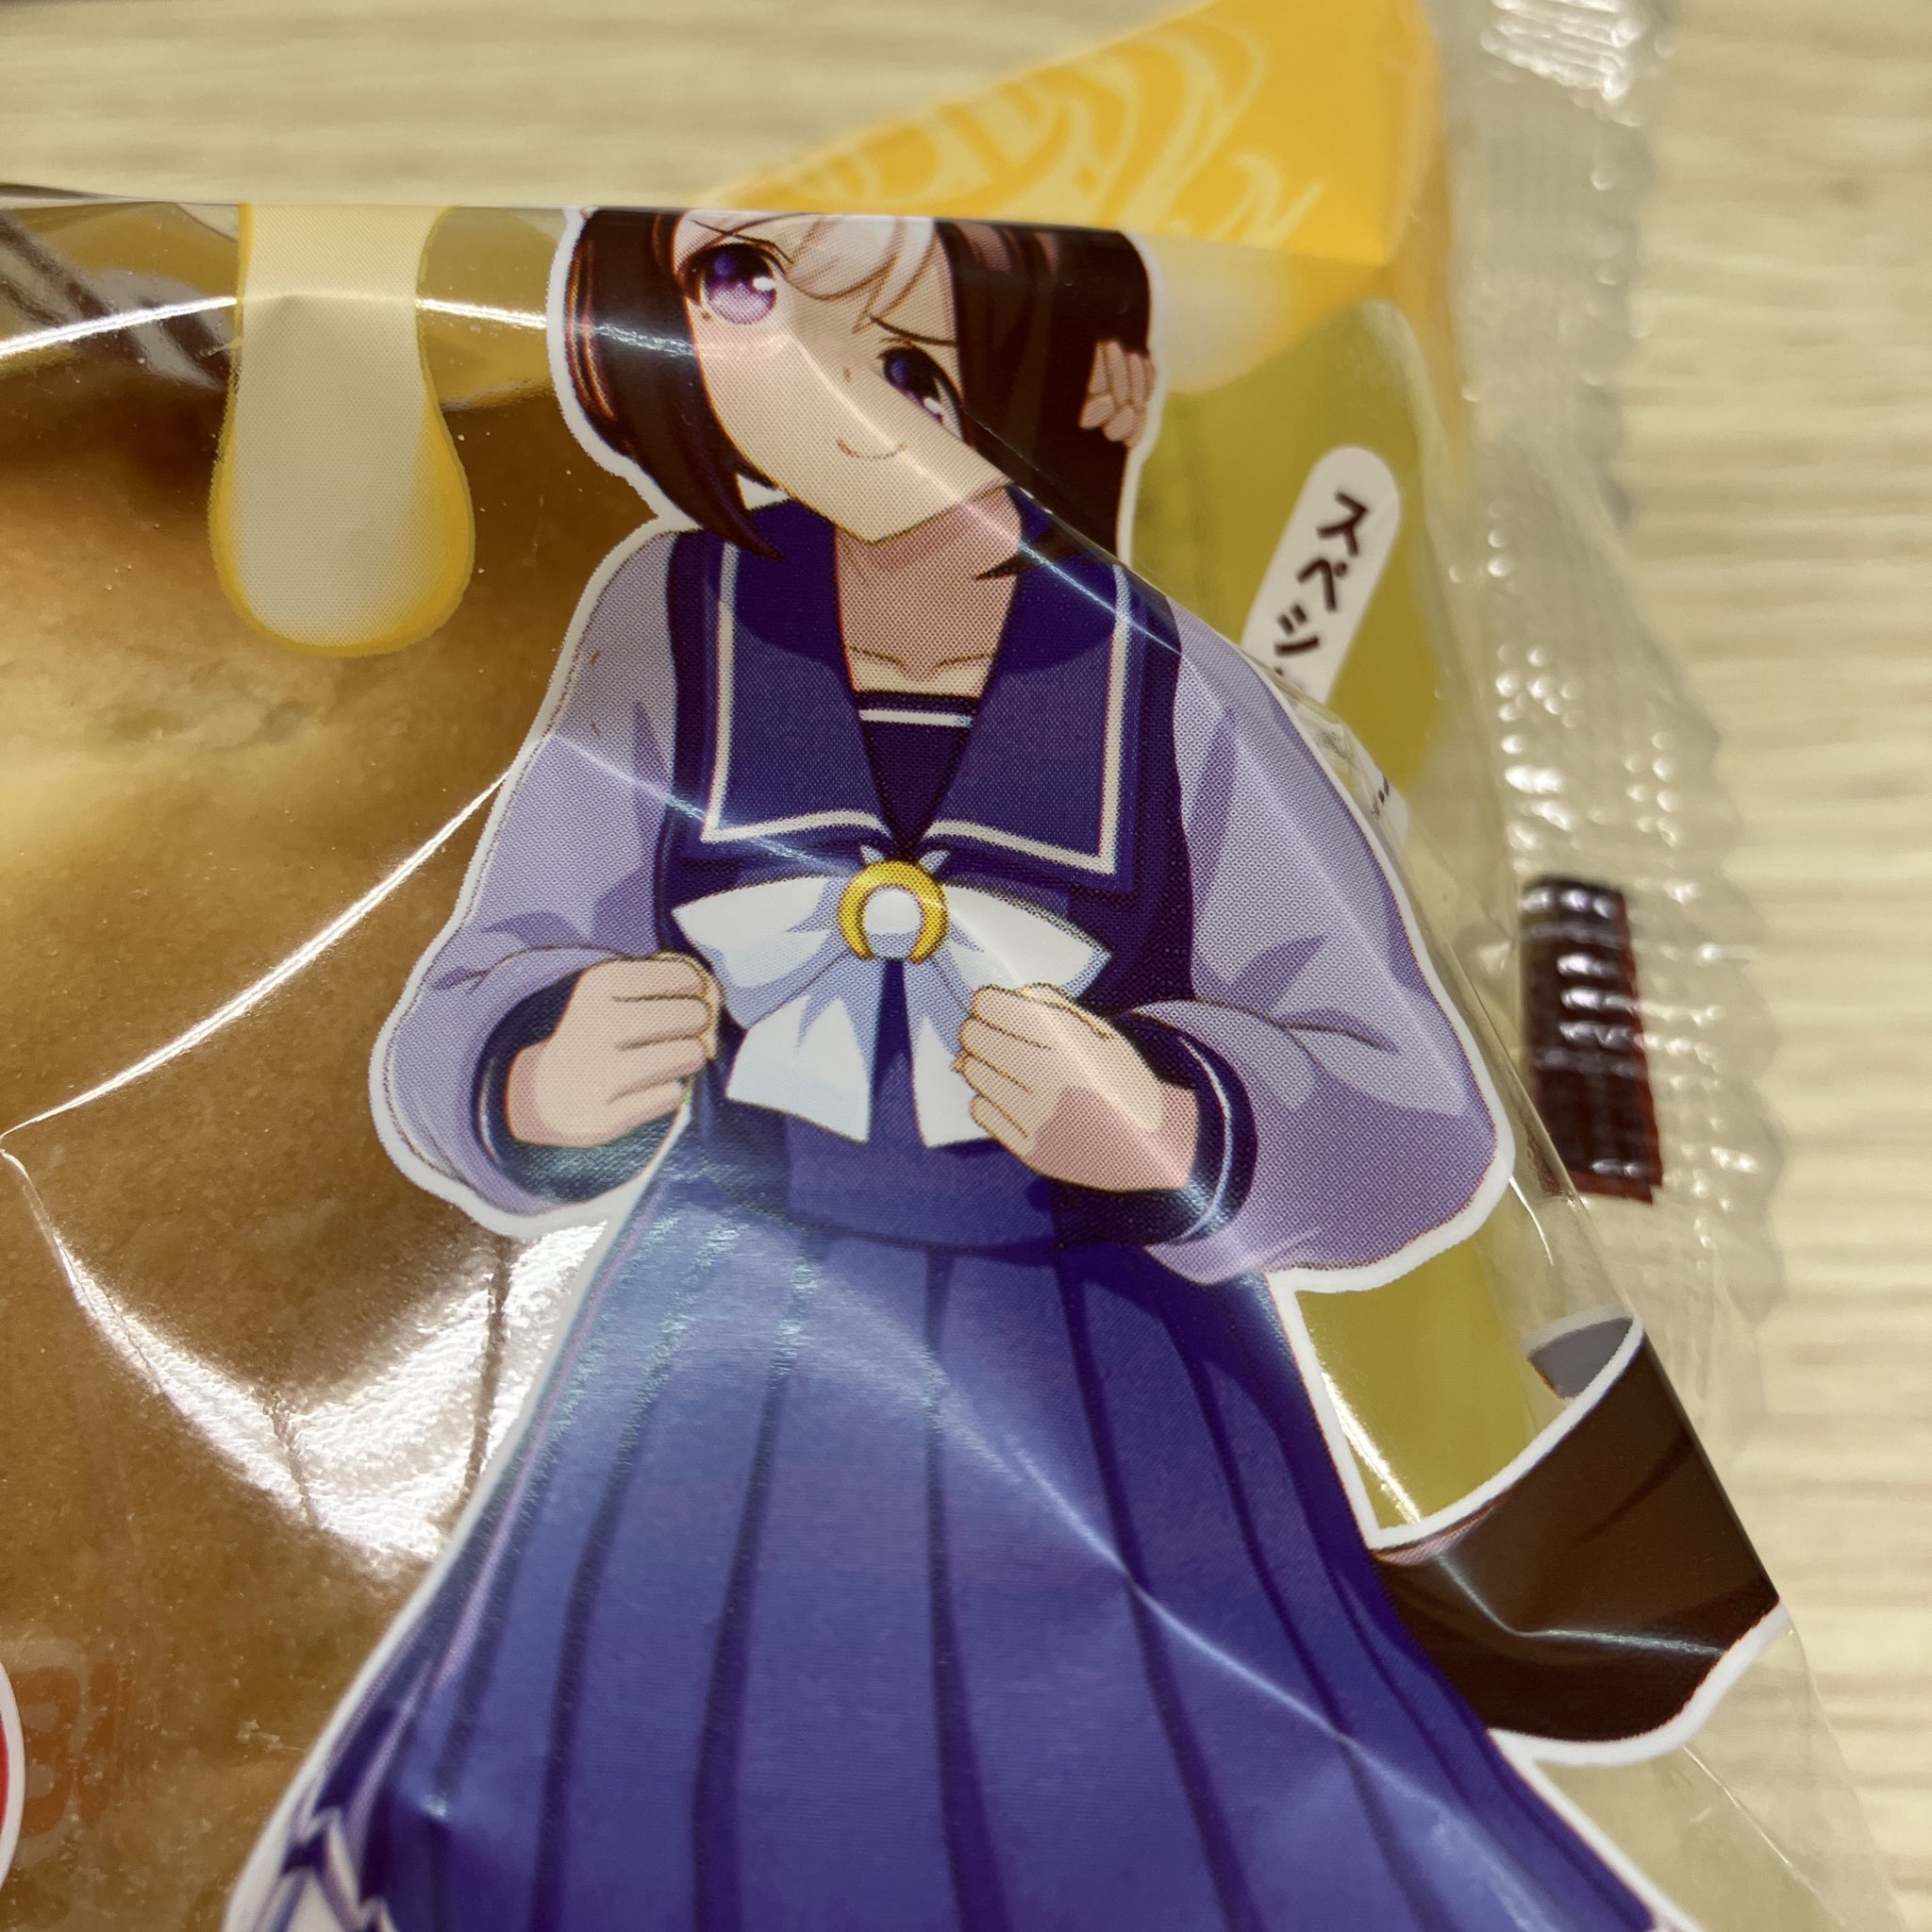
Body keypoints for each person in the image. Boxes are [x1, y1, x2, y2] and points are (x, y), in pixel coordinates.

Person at [228, 209, 1656, 1932]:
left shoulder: (1169, 685)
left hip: (1099, 1388)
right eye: (748, 295)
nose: (835, 392)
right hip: (725, 1369)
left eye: (916, 368)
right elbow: (497, 965)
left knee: (1132, 1822)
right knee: (668, 1812)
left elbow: (1417, 1118)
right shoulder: (678, 620)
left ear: (1092, 386)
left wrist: (1178, 1116)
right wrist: (535, 1072)